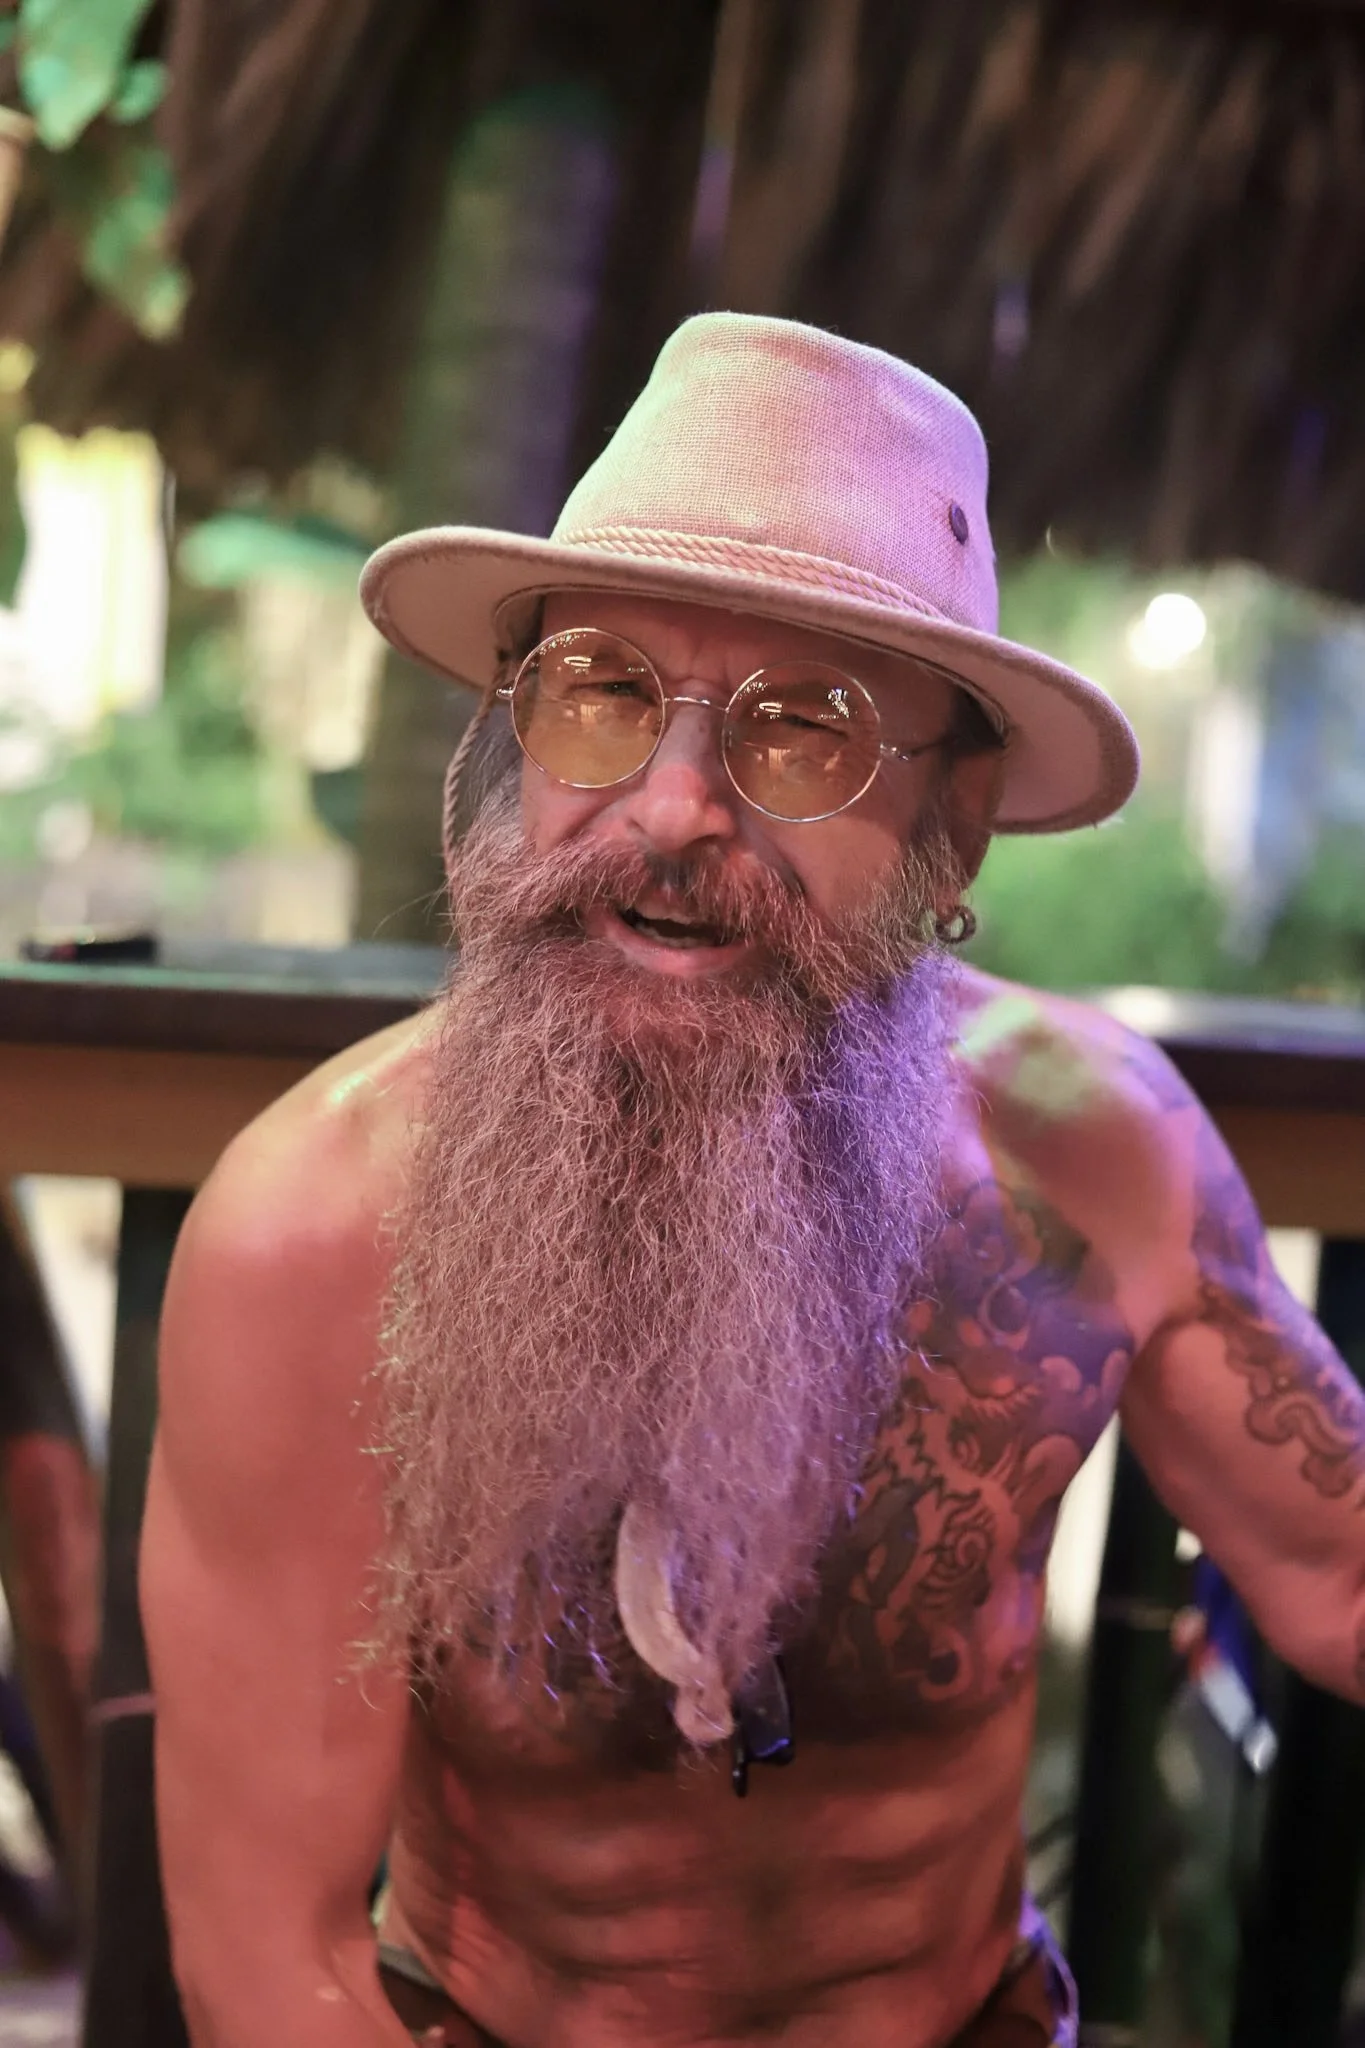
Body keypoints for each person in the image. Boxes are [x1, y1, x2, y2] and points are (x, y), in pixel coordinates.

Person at [140, 315, 1365, 2048]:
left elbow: (1345, 1582)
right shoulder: (319, 1235)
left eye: (806, 734)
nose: (670, 809)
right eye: (604, 693)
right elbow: (273, 1967)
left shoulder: (1095, 1154)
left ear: (952, 825)